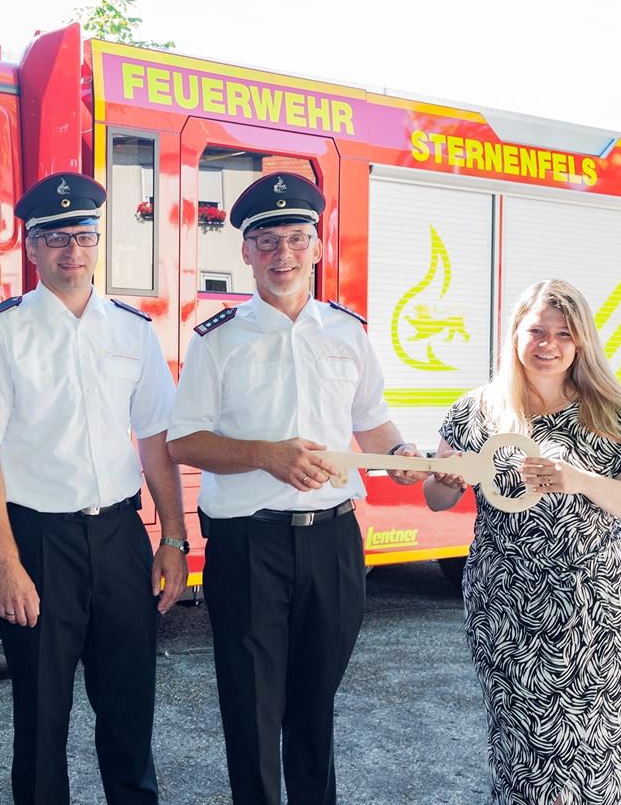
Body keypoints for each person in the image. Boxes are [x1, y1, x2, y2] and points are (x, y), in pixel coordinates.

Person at [166, 172, 423, 805]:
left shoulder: (347, 332)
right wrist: (265, 457)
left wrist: (400, 453)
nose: (284, 254)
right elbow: (183, 441)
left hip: (334, 539)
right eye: (268, 241)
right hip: (249, 545)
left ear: (317, 246)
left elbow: (371, 421)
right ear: (247, 253)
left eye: (296, 239)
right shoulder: (217, 340)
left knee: (316, 701)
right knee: (252, 707)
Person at [0, 172, 188, 805]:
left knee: (130, 714)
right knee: (40, 719)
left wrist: (174, 539)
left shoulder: (133, 332)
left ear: (98, 242)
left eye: (84, 236)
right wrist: (4, 562)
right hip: (39, 541)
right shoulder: (1, 334)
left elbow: (156, 441)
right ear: (31, 248)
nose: (72, 252)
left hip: (119, 537)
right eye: (56, 239)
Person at [423, 279, 621, 805]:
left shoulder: (611, 411)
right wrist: (444, 481)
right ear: (515, 335)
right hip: (506, 605)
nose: (548, 344)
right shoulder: (477, 410)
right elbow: (435, 499)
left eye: (563, 334)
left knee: (601, 742)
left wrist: (580, 479)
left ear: (581, 343)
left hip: (595, 610)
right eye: (536, 331)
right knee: (521, 747)